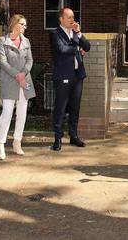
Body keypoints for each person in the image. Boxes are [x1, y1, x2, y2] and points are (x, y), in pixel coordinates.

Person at [49, 8, 91, 151]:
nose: (72, 19)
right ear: (61, 19)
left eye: (73, 17)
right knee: (60, 108)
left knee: (75, 107)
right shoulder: (55, 33)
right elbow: (62, 49)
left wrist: (79, 34)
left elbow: (88, 46)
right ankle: (58, 138)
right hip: (63, 76)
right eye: (69, 17)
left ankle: (73, 136)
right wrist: (77, 45)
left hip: (77, 75)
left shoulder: (75, 33)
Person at [0, 14, 36, 159]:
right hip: (9, 81)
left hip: (25, 81)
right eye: (22, 24)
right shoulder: (2, 41)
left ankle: (17, 142)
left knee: (22, 113)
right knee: (6, 113)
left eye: (25, 24)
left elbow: (30, 60)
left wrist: (23, 74)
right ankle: (1, 144)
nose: (25, 27)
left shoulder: (26, 41)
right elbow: (3, 62)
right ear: (14, 24)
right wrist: (17, 75)